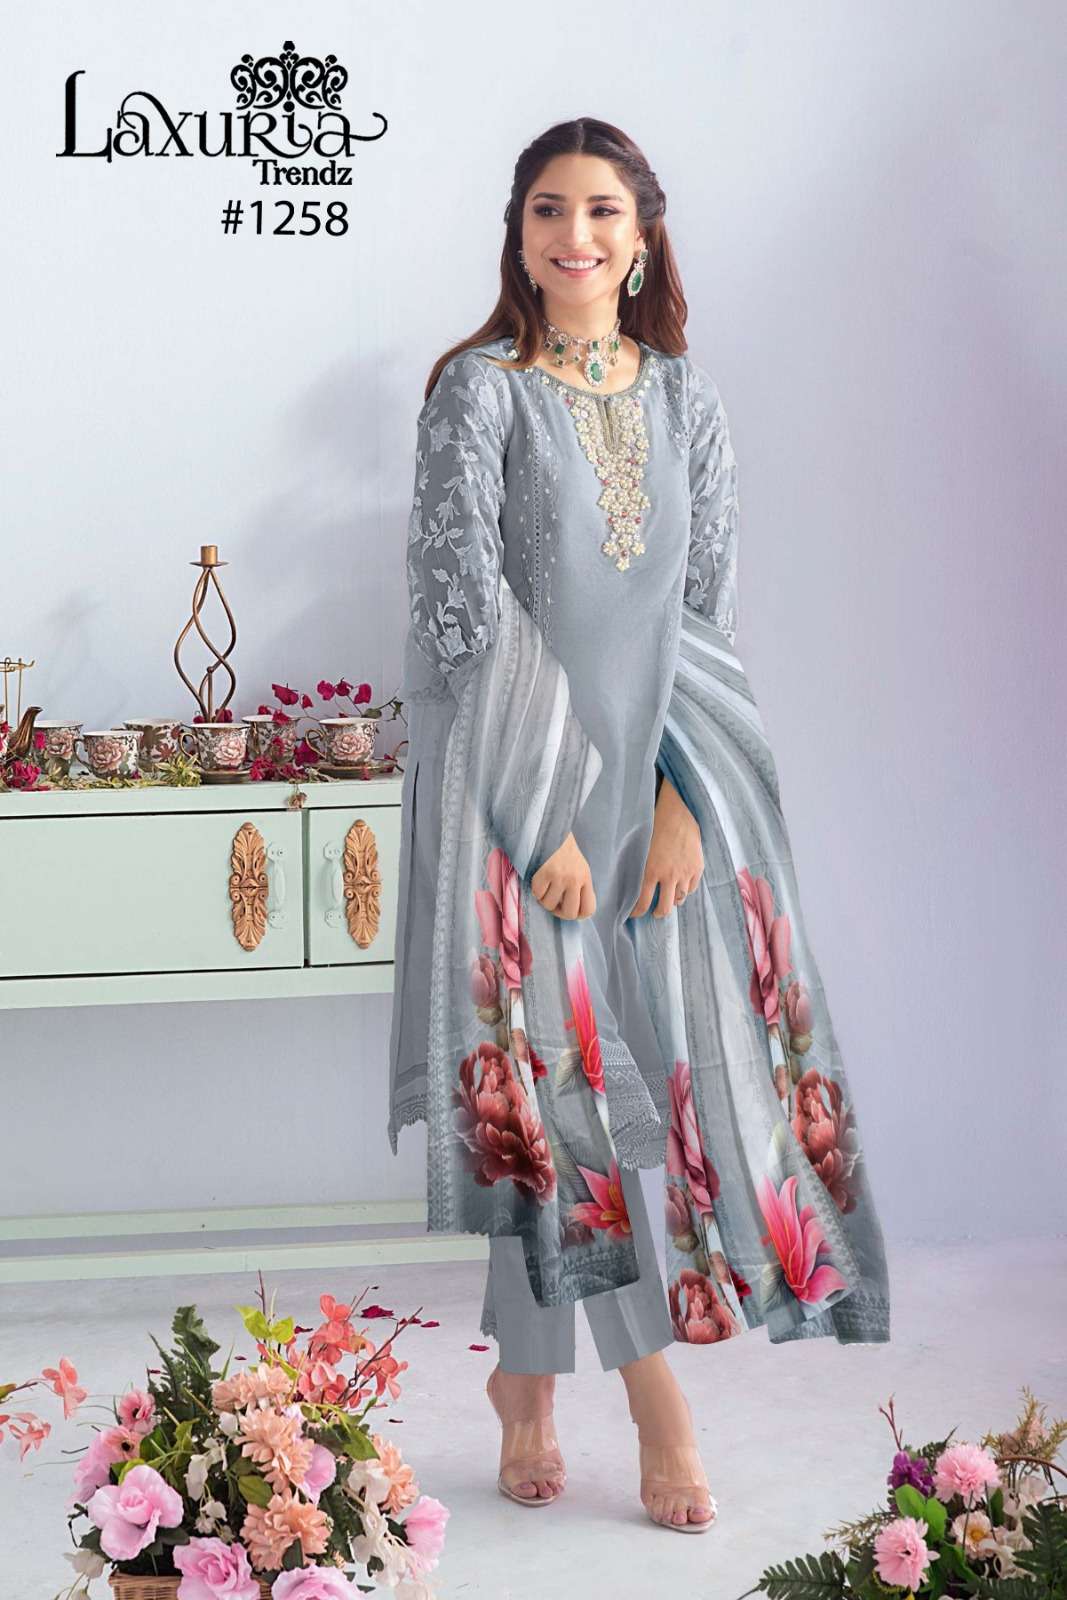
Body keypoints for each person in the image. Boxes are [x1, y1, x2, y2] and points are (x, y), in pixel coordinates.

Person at [388, 116, 889, 1535]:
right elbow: (458, 606)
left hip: (648, 797)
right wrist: (539, 807)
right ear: (518, 233)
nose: (575, 236)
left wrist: (680, 799)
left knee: (591, 1094)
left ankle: (524, 1379)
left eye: (602, 209)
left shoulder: (687, 401)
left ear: (644, 233)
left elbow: (704, 612)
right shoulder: (479, 393)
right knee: (551, 1087)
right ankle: (657, 1400)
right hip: (512, 790)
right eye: (548, 209)